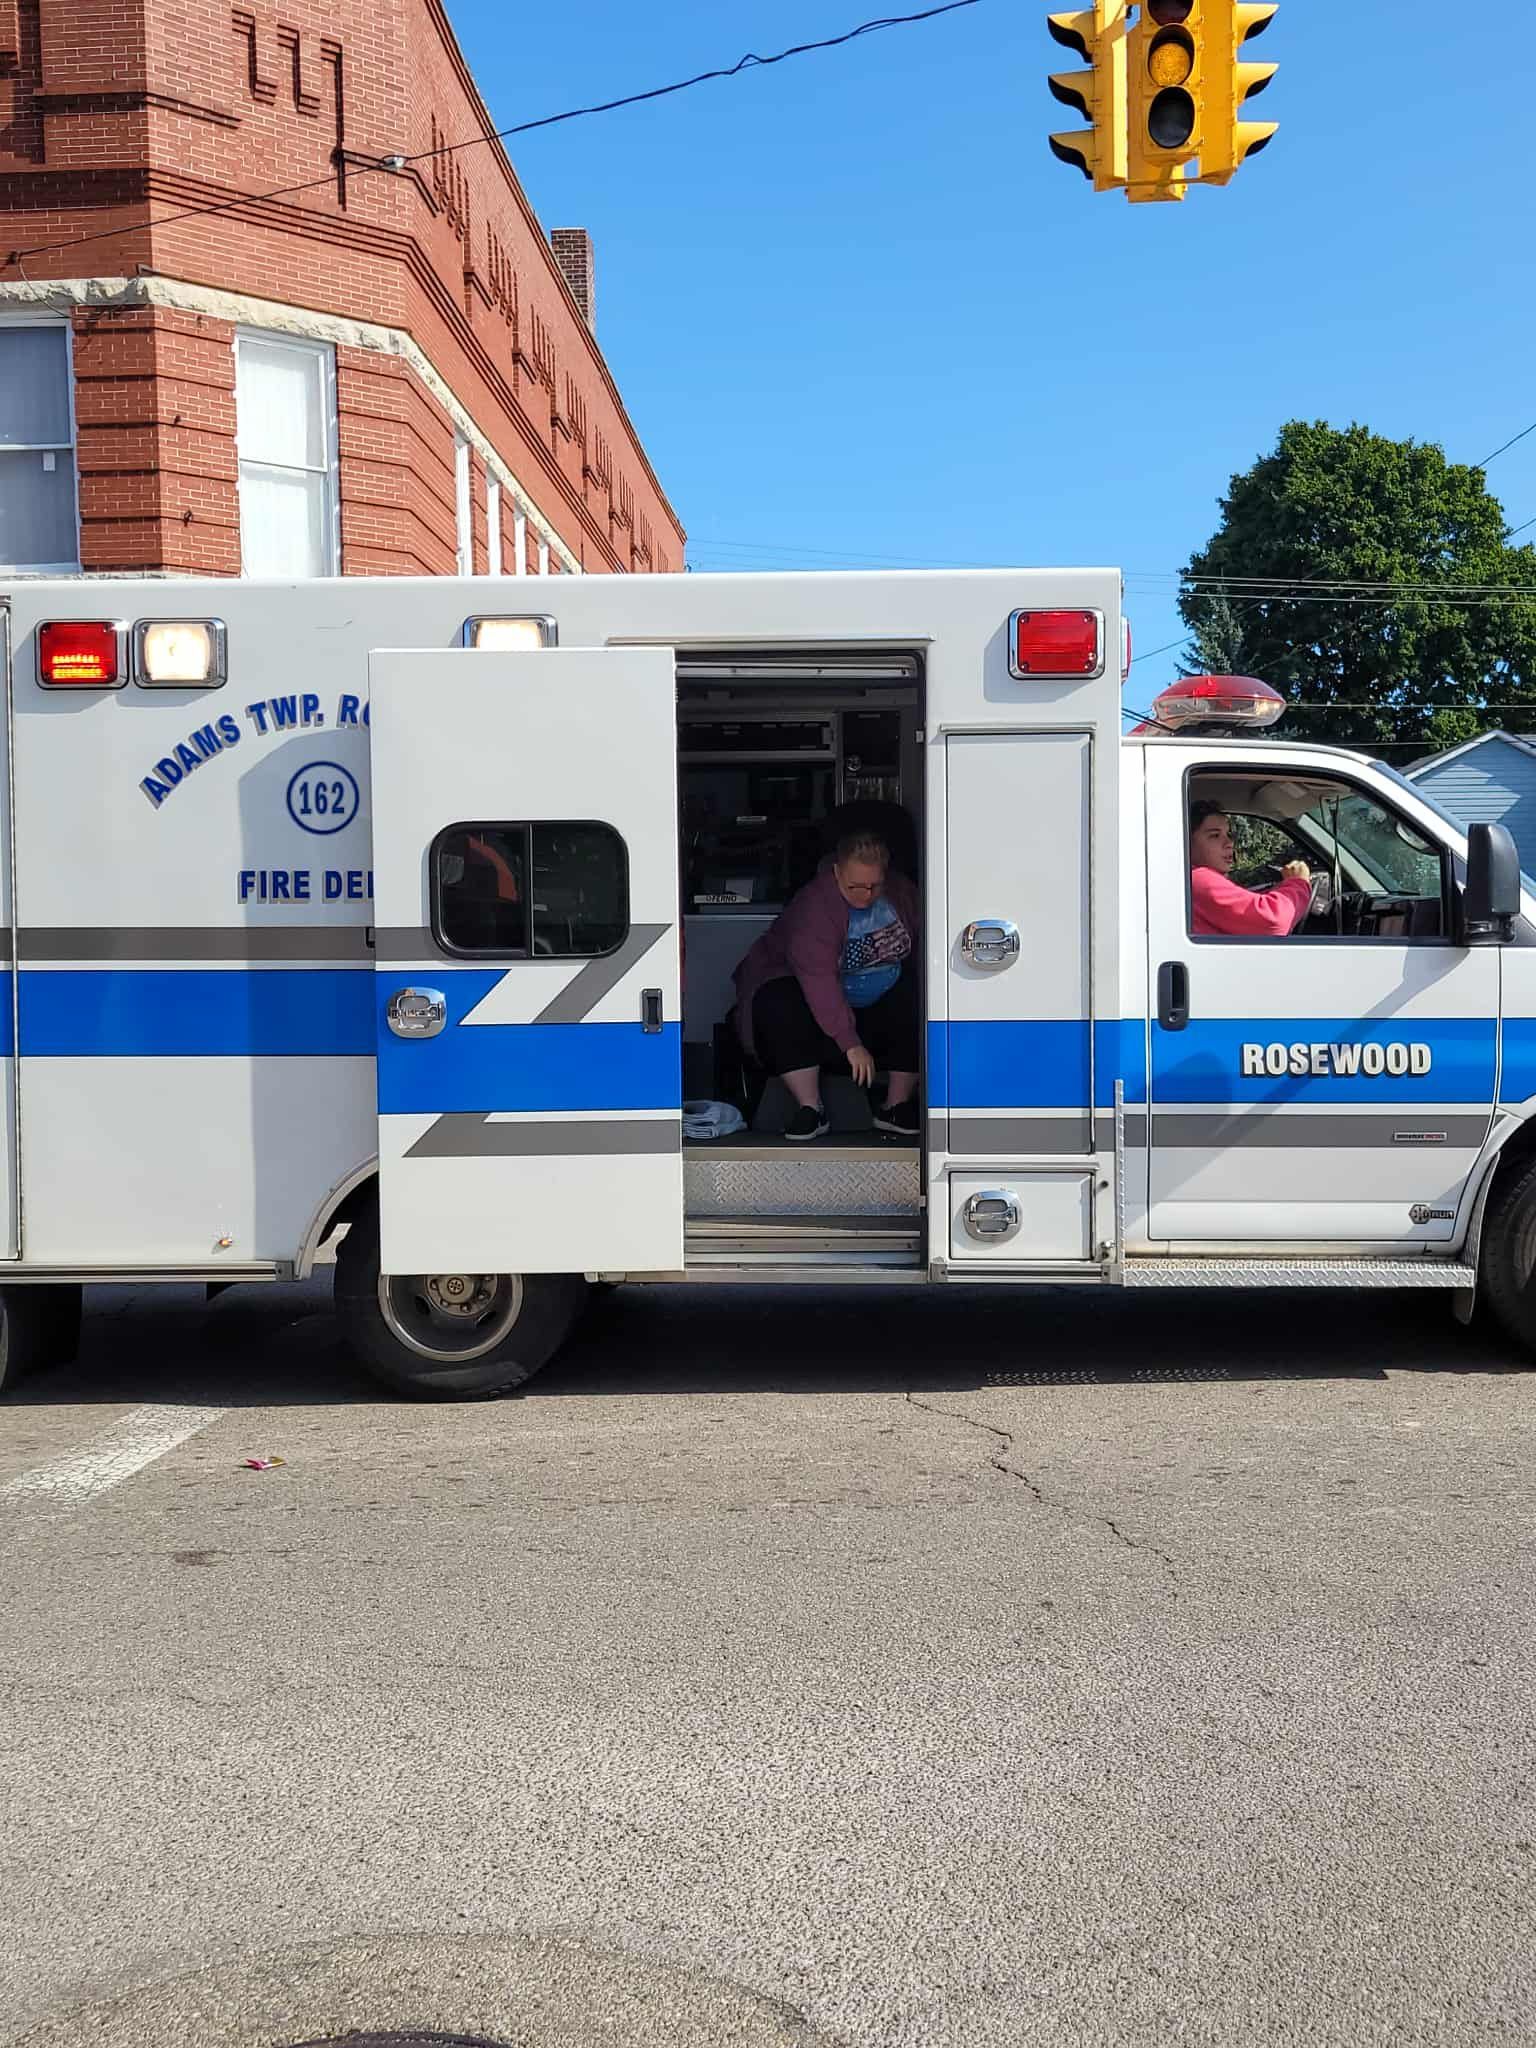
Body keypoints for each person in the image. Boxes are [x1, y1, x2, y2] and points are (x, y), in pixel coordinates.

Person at [734, 832, 921, 1142]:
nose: (864, 895)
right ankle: (811, 1108)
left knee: (918, 993)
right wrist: (850, 1043)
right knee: (777, 1000)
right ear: (836, 873)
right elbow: (819, 981)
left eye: (873, 886)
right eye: (854, 887)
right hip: (815, 1013)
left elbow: (923, 946)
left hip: (877, 1004)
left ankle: (895, 1106)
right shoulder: (814, 908)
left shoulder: (901, 894)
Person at [1189, 800, 1312, 938]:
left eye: (1228, 834)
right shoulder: (1199, 879)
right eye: (1215, 835)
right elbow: (1273, 922)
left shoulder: (1193, 880)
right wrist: (1298, 883)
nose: (1229, 843)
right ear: (1187, 842)